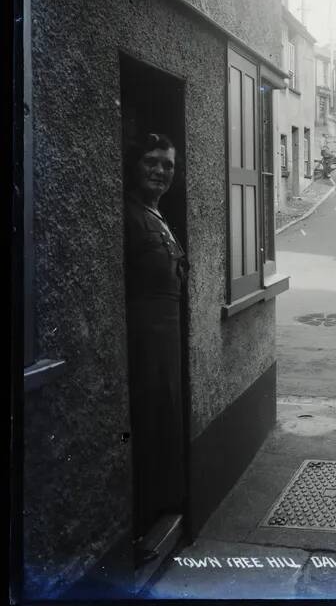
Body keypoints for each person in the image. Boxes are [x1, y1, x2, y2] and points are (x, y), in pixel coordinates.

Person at [124, 132, 188, 566]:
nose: (160, 171)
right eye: (151, 161)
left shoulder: (157, 215)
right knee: (147, 422)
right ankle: (143, 521)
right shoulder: (129, 214)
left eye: (167, 164)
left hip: (168, 341)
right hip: (144, 342)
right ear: (135, 164)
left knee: (166, 419)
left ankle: (163, 508)